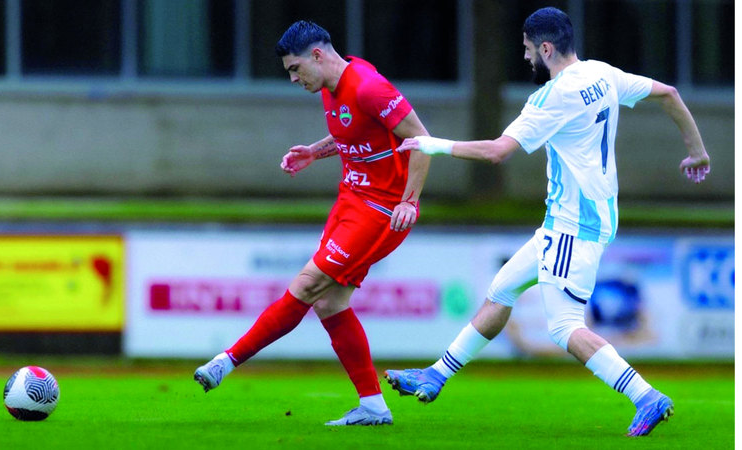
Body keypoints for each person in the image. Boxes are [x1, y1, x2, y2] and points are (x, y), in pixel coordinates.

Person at [384, 6, 710, 437]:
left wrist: (433, 145)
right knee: (502, 290)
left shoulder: (551, 98)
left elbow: (497, 151)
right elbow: (668, 92)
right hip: (583, 217)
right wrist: (697, 151)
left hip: (574, 225)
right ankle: (436, 375)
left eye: (527, 49)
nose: (525, 57)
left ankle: (646, 396)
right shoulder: (602, 73)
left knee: (563, 326)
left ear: (546, 48)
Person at [193, 20, 432, 426]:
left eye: (295, 68)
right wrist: (313, 152)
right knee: (329, 302)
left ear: (317, 56)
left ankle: (227, 361)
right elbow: (354, 133)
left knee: (307, 286)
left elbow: (421, 140)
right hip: (350, 200)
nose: (293, 78)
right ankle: (373, 407)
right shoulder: (328, 86)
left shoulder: (369, 86)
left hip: (382, 211)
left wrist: (410, 200)